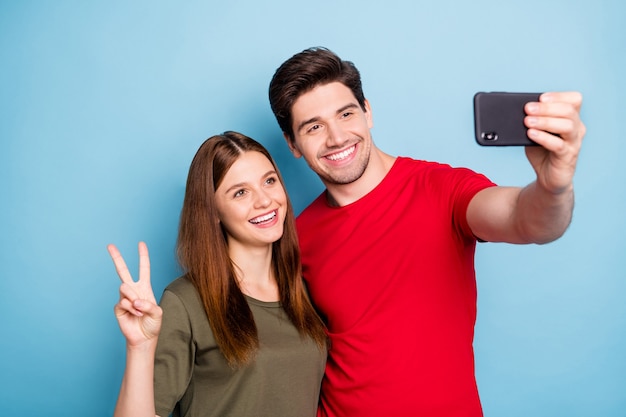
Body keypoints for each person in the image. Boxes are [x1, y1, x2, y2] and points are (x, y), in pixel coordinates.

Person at [268, 47, 585, 417]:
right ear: (292, 144)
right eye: (314, 126)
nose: (337, 137)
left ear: (367, 112)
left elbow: (526, 220)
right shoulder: (296, 235)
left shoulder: (442, 189)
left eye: (346, 113)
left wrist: (553, 187)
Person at [107, 131, 327, 417]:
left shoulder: (305, 291)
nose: (264, 201)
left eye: (269, 181)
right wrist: (140, 347)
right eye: (240, 192)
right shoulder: (185, 302)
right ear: (213, 212)